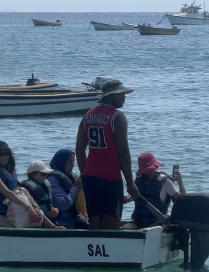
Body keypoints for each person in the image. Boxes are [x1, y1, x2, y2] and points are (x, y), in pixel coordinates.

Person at [75, 79, 136, 229]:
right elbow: (124, 153)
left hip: (90, 176)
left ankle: (94, 250)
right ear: (110, 96)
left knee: (94, 221)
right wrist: (130, 182)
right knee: (112, 221)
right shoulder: (117, 117)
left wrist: (84, 174)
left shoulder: (88, 115)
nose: (124, 97)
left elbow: (79, 149)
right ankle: (111, 251)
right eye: (121, 94)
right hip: (110, 177)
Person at [0, 141, 47, 228]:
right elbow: (7, 193)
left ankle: (54, 227)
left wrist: (35, 207)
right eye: (0, 154)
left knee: (38, 215)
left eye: (7, 153)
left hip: (12, 211)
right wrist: (28, 208)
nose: (4, 156)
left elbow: (21, 192)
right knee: (17, 232)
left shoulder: (8, 171)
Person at [122, 152, 186, 230]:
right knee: (124, 229)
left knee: (142, 232)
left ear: (156, 166)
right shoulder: (139, 180)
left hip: (157, 223)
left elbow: (180, 201)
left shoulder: (165, 182)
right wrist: (126, 199)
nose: (148, 172)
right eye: (146, 170)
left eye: (150, 169)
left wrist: (180, 183)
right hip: (139, 221)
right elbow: (135, 196)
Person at [47, 149, 89, 229]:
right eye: (70, 162)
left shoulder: (72, 175)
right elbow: (62, 205)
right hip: (61, 221)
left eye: (73, 162)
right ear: (61, 163)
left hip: (76, 218)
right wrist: (76, 189)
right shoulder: (53, 179)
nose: (73, 165)